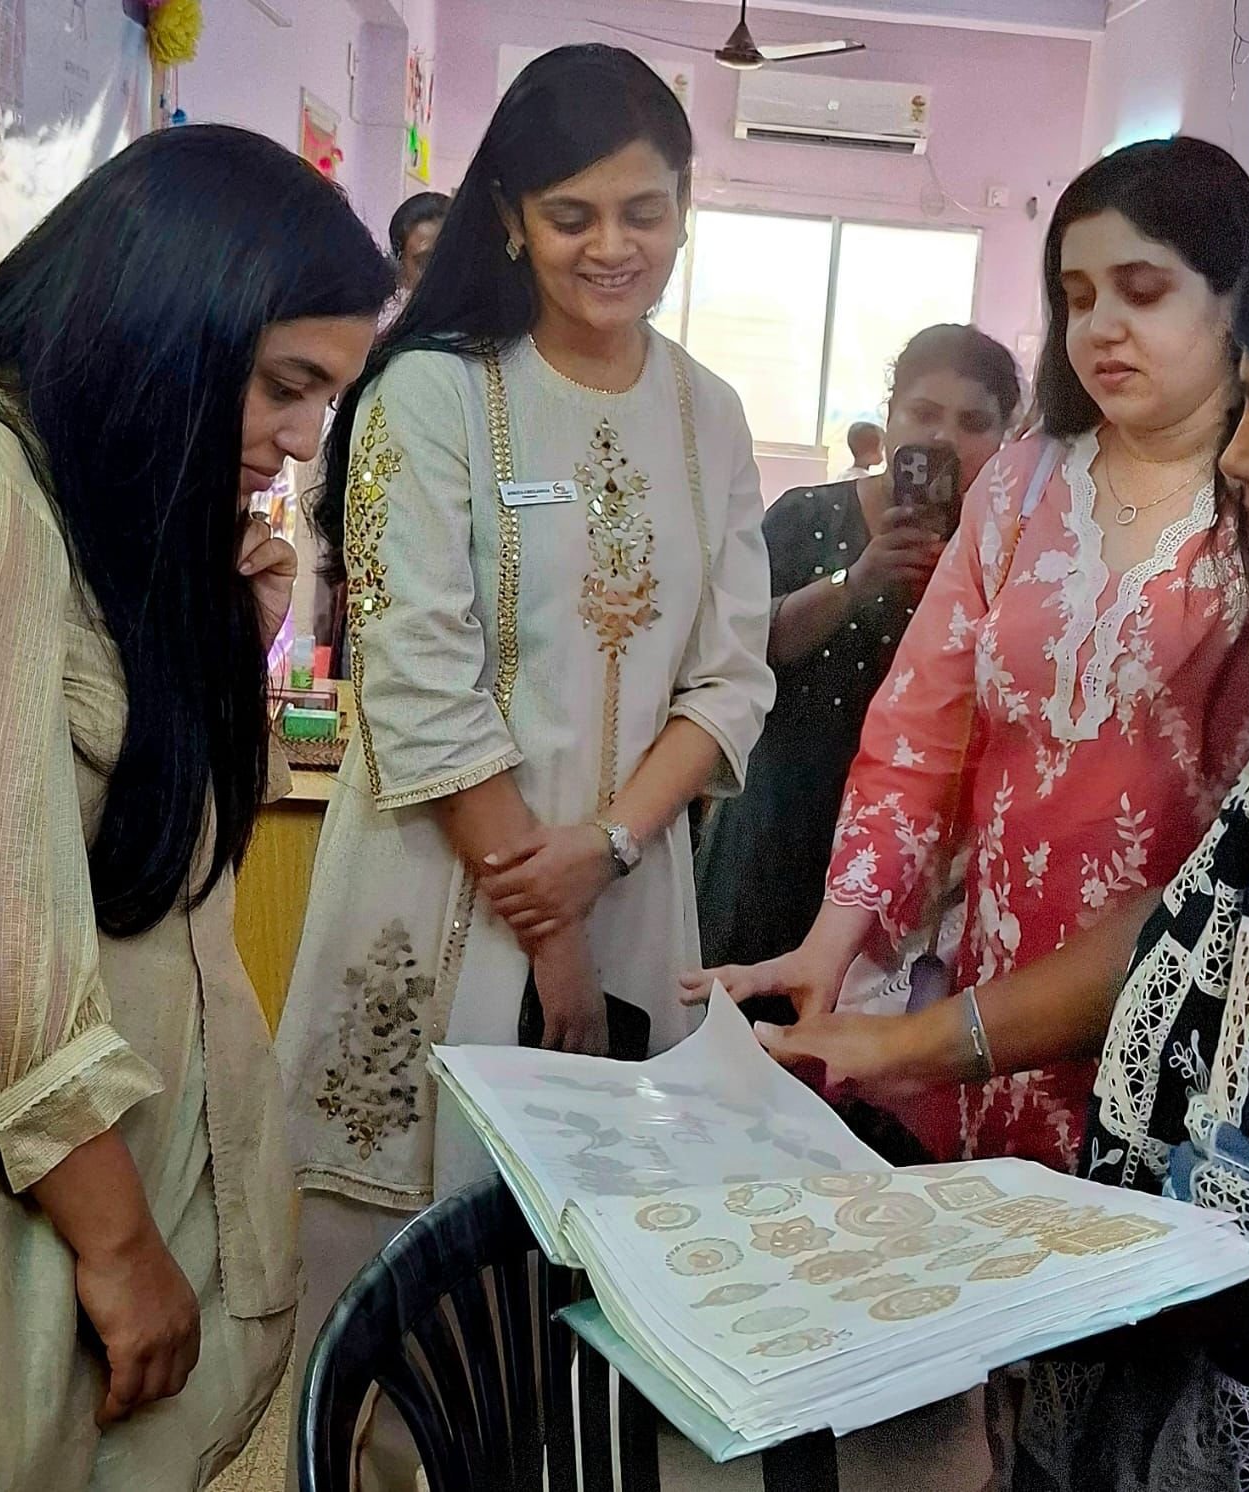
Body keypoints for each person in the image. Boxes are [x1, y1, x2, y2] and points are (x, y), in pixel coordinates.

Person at [762, 164, 1249, 1492]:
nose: (1244, 457)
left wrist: (878, 1269)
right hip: (1074, 1129)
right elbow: (1190, 907)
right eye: (1076, 296)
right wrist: (897, 1033)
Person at [276, 44, 773, 1483]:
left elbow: (731, 676)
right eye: (572, 215)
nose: (612, 246)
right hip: (440, 893)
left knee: (598, 1288)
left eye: (645, 211)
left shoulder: (712, 413)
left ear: (685, 210)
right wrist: (551, 928)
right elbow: (416, 677)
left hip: (633, 886)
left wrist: (602, 855)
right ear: (508, 217)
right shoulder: (427, 396)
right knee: (408, 1296)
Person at [691, 137, 1249, 1169]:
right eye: (1077, 297)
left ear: (1236, 301)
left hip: (1191, 991)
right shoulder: (1024, 482)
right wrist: (834, 938)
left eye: (1141, 291)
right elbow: (916, 736)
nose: (1100, 327)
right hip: (989, 986)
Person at [0, 126, 390, 1490]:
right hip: (37, 1206)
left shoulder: (105, 502)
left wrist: (231, 632)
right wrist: (118, 1241)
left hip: (110, 1175)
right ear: (163, 321)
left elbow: (170, 861)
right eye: (285, 385)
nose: (304, 440)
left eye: (328, 398)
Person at [697, 325, 1017, 972]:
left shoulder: (1011, 546)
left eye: (974, 422)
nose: (943, 439)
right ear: (890, 415)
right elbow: (739, 644)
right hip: (778, 824)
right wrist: (856, 581)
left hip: (914, 848)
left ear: (1006, 436)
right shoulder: (805, 514)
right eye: (924, 413)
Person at [378, 190, 450, 329]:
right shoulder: (387, 335)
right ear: (402, 273)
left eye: (452, 255)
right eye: (425, 262)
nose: (445, 270)